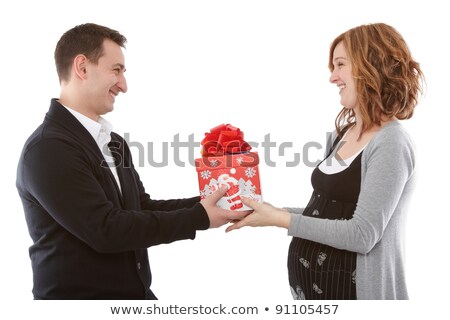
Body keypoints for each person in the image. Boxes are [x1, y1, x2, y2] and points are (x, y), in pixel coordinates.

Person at [16, 23, 245, 300]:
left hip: (136, 299)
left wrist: (216, 202)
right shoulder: (48, 149)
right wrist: (199, 217)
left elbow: (139, 207)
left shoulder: (113, 142)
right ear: (82, 68)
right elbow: (106, 230)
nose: (123, 85)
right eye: (116, 70)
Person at [226, 23, 424, 300]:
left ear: (372, 65)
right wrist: (270, 211)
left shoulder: (391, 142)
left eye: (340, 65)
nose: (333, 78)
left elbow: (361, 234)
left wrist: (281, 219)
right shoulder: (342, 134)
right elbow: (329, 212)